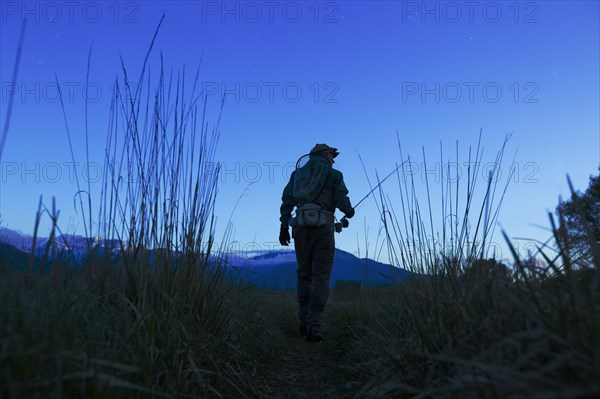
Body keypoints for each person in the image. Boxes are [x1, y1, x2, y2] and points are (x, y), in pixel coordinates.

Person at [279, 143, 355, 343]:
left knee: (304, 273)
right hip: (323, 229)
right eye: (332, 154)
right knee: (321, 275)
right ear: (323, 155)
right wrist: (349, 211)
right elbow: (342, 200)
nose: (333, 159)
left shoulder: (297, 175)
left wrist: (283, 228)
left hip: (300, 227)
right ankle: (314, 325)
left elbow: (286, 201)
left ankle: (303, 321)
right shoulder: (334, 175)